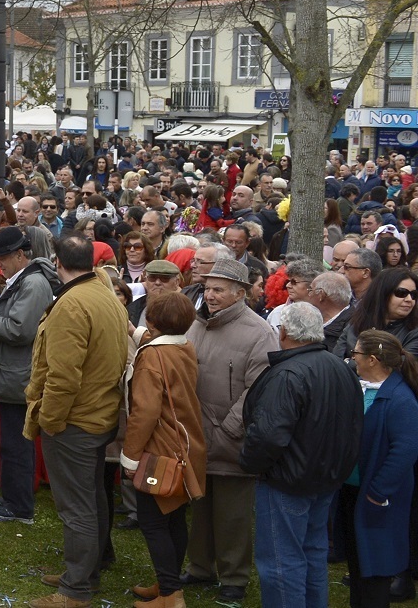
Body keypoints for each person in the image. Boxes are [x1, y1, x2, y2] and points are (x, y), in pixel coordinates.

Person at [23, 233, 130, 608]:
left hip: (77, 421)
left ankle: (75, 589)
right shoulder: (103, 293)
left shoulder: (73, 303)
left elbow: (64, 377)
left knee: (77, 507)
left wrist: (49, 420)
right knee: (93, 499)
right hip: (97, 415)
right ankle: (89, 571)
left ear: (57, 263)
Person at [239, 301, 364, 608]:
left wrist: (249, 463)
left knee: (282, 562)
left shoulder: (289, 373)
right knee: (312, 553)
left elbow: (268, 434)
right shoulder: (340, 367)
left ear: (284, 333)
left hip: (287, 481)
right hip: (324, 478)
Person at [181, 253, 277, 605]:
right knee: (200, 506)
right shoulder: (197, 323)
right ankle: (200, 566)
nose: (211, 295)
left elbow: (258, 389)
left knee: (233, 515)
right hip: (195, 434)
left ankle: (234, 578)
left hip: (230, 439)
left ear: (241, 293)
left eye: (219, 290)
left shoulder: (259, 333)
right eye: (208, 288)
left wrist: (228, 429)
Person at [120, 291, 206, 608]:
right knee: (173, 518)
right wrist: (136, 332)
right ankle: (167, 582)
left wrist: (129, 459)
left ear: (153, 321)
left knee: (153, 521)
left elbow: (144, 414)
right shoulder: (184, 346)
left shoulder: (151, 358)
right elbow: (163, 343)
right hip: (186, 445)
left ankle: (170, 595)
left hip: (159, 449)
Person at [0, 225, 51, 524]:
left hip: (19, 376)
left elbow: (20, 330)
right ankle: (15, 500)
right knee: (14, 443)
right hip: (15, 374)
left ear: (20, 254)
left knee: (17, 445)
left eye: (3, 257)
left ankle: (19, 506)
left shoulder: (33, 284)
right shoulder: (26, 281)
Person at [345, 329, 418, 608]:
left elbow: (406, 450)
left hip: (378, 498)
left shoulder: (400, 399)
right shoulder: (364, 387)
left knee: (376, 564)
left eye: (357, 354)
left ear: (373, 359)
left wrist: (378, 492)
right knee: (358, 561)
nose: (353, 359)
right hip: (354, 491)